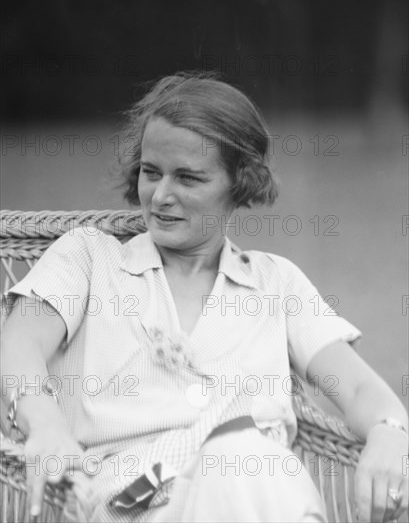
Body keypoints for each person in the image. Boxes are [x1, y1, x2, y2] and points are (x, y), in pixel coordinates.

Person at [1, 71, 407, 523]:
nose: (161, 195)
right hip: (139, 504)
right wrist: (44, 421)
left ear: (240, 184)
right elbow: (18, 344)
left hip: (265, 494)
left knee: (243, 461)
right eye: (150, 172)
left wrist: (390, 432)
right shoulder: (88, 258)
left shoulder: (277, 283)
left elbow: (356, 386)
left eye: (188, 179)